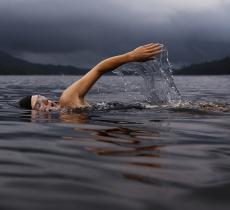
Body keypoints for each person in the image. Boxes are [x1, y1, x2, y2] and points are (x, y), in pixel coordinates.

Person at [18, 43, 162, 111]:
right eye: (38, 104)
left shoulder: (67, 99)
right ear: (35, 115)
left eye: (41, 98)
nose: (46, 102)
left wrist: (131, 56)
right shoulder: (64, 114)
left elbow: (99, 68)